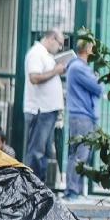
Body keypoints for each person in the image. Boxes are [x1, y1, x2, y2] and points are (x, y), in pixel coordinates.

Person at [22, 27, 71, 185]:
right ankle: (32, 187)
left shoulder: (45, 55)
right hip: (40, 110)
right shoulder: (36, 53)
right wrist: (55, 71)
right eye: (60, 43)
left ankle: (39, 185)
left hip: (47, 111)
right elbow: (34, 78)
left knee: (43, 151)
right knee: (36, 151)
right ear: (51, 38)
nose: (60, 48)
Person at [64, 35, 104, 198]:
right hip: (82, 116)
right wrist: (98, 78)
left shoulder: (78, 67)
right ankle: (72, 191)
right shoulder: (78, 68)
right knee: (81, 154)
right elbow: (99, 87)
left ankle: (76, 190)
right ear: (87, 49)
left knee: (79, 153)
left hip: (82, 115)